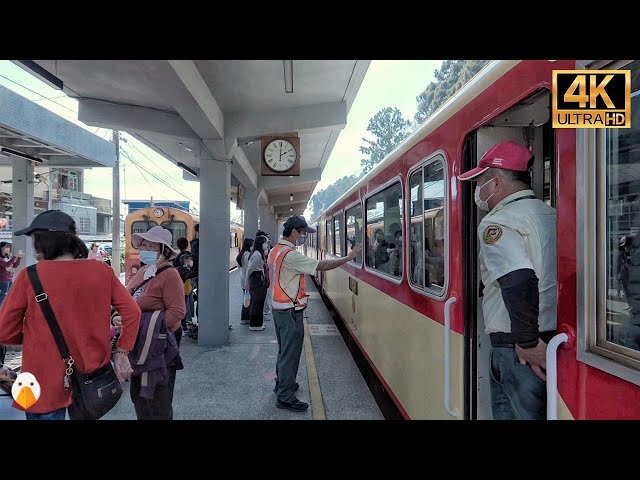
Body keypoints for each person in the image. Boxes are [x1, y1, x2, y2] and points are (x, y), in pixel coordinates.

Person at [0, 210, 141, 420]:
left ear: (42, 243)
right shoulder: (102, 271)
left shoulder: (29, 276)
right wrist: (121, 351)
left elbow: (4, 330)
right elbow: (132, 312)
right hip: (91, 376)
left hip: (40, 379)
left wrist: (35, 336)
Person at [458, 140, 557, 421]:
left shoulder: (497, 222)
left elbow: (518, 279)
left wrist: (526, 342)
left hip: (518, 349)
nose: (478, 191)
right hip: (550, 338)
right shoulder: (551, 215)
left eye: (480, 183)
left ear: (497, 183)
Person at [268, 215, 362, 412]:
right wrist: (349, 257)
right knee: (290, 353)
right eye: (302, 233)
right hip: (290, 310)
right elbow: (320, 266)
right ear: (294, 232)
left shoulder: (275, 251)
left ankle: (282, 384)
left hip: (279, 308)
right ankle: (285, 396)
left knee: (284, 350)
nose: (303, 237)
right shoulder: (290, 255)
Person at [123, 225, 186, 420]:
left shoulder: (170, 274)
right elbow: (127, 297)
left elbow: (177, 312)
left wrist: (149, 327)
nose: (145, 250)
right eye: (144, 246)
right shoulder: (143, 271)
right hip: (139, 343)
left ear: (163, 251)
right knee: (139, 395)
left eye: (151, 247)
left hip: (159, 346)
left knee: (159, 398)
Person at [245, 235, 269, 331]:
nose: (266, 245)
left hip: (257, 278)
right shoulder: (257, 255)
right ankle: (255, 325)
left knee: (258, 302)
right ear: (261, 244)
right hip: (257, 278)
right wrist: (247, 282)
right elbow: (249, 269)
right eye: (265, 243)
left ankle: (258, 323)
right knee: (257, 303)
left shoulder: (256, 253)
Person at [236, 238, 254, 325]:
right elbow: (250, 268)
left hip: (243, 279)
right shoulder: (248, 255)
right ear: (249, 245)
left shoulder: (241, 255)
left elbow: (239, 268)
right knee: (248, 300)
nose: (253, 246)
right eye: (252, 245)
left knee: (246, 298)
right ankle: (245, 318)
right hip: (248, 280)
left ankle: (245, 318)